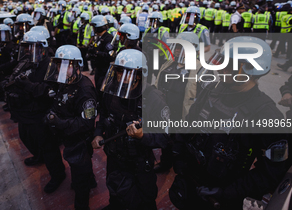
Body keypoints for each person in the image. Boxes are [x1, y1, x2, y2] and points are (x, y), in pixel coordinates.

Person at [169, 36, 290, 210]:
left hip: (222, 196)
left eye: (230, 65)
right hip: (189, 180)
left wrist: (227, 193)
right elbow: (190, 122)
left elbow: (271, 173)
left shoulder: (267, 115)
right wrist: (178, 152)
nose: (221, 69)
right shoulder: (212, 90)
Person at [91, 49, 170, 210]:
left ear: (141, 74)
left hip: (139, 161)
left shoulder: (153, 98)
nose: (123, 76)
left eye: (129, 72)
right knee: (115, 190)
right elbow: (104, 116)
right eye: (120, 71)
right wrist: (98, 134)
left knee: (145, 200)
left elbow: (165, 136)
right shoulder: (111, 91)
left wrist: (143, 136)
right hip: (114, 155)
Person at [5, 31, 65, 193]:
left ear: (43, 48)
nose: (28, 51)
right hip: (25, 112)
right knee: (26, 137)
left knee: (48, 147)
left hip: (41, 112)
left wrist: (28, 86)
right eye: (27, 47)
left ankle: (58, 174)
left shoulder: (52, 65)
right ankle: (39, 157)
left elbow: (50, 91)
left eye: (32, 47)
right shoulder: (28, 61)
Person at [44, 45, 98, 210]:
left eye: (67, 64)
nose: (62, 68)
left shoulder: (85, 90)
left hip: (79, 139)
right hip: (68, 135)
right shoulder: (66, 81)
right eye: (60, 64)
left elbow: (87, 123)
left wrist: (60, 123)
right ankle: (91, 180)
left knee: (80, 176)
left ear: (77, 66)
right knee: (78, 167)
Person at [154, 32, 201, 173]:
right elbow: (157, 85)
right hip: (165, 112)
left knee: (181, 146)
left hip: (183, 116)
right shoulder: (168, 64)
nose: (178, 50)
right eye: (177, 47)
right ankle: (165, 163)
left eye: (183, 48)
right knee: (165, 141)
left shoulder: (200, 68)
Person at [88, 15, 114, 93]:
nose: (92, 29)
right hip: (99, 69)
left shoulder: (108, 38)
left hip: (104, 70)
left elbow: (110, 56)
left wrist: (96, 52)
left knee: (101, 91)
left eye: (93, 26)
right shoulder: (100, 38)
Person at [142, 12, 170, 84]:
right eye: (150, 20)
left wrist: (157, 51)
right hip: (147, 57)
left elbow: (167, 45)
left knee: (158, 75)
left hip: (157, 58)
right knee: (147, 75)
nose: (150, 22)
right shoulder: (147, 30)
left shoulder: (163, 31)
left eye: (152, 20)